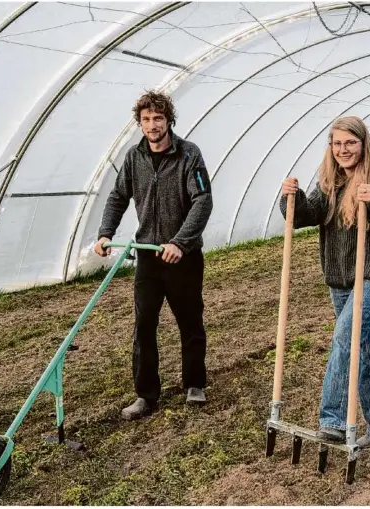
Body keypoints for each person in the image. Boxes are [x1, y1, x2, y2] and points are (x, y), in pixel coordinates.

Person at [280, 115, 370, 448]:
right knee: (358, 350)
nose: (343, 149)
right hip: (341, 278)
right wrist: (291, 199)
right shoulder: (329, 182)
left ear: (363, 144)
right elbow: (305, 217)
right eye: (337, 143)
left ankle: (332, 420)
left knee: (345, 336)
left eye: (350, 142)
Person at [94, 90, 213, 420]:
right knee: (144, 326)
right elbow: (118, 197)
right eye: (145, 120)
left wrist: (180, 242)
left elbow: (203, 201)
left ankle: (194, 384)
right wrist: (105, 233)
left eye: (157, 119)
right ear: (140, 123)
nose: (152, 125)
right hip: (147, 255)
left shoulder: (190, 155)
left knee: (189, 322)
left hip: (183, 257)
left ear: (168, 120)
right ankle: (145, 395)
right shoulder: (134, 158)